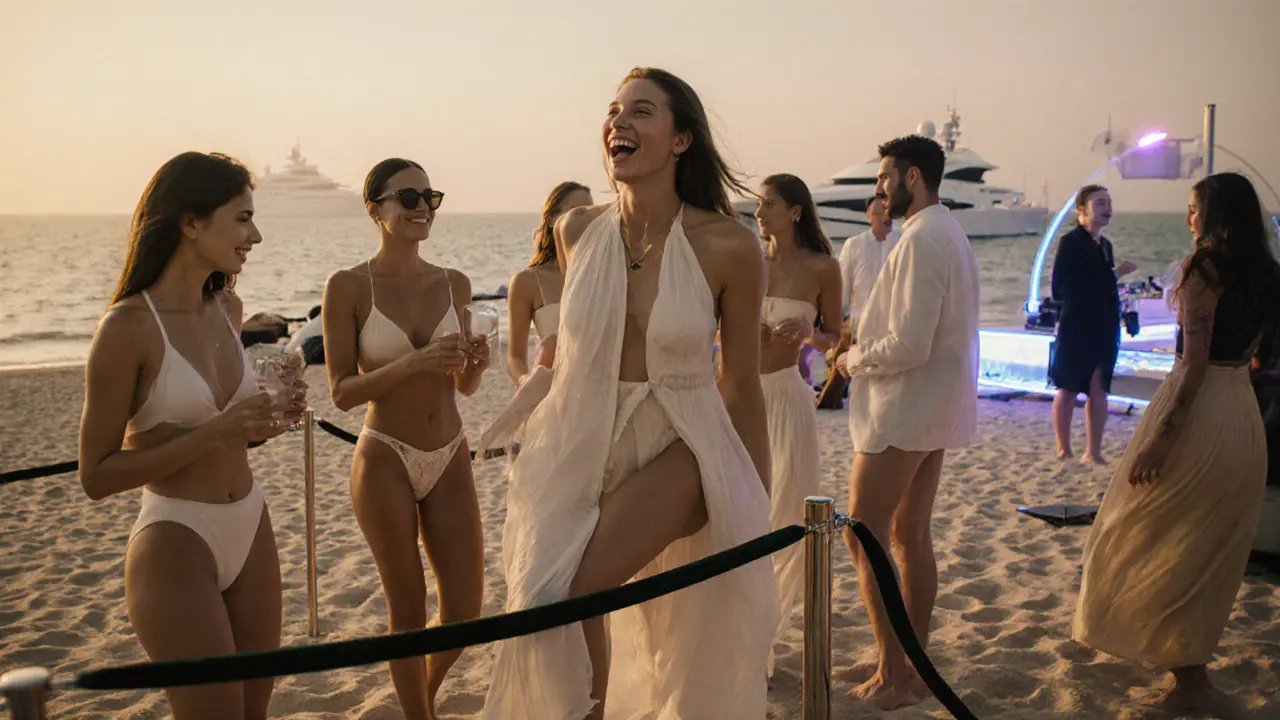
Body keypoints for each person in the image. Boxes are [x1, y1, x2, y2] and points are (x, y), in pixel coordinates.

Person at [484, 67, 777, 720]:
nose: (619, 122)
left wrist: (753, 502)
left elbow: (741, 385)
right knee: (537, 595)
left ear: (680, 140)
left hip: (683, 438)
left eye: (641, 112)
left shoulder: (730, 245)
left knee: (574, 589)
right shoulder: (576, 230)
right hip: (580, 436)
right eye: (614, 111)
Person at [77, 151, 306, 719]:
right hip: (177, 538)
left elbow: (233, 433)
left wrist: (268, 420)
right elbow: (96, 476)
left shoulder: (228, 309)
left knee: (254, 712)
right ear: (191, 222)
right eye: (242, 218)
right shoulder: (128, 327)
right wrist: (219, 430)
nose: (256, 235)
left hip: (251, 525)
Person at [1073, 172, 1280, 713]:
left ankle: (1190, 683)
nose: (1188, 219)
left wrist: (1162, 441)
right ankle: (1192, 674)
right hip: (1243, 414)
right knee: (1209, 549)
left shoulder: (1201, 270)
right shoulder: (1268, 273)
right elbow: (1262, 358)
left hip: (1200, 412)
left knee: (1139, 531)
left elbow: (1191, 368)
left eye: (1193, 209)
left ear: (1214, 214)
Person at [321, 158, 488, 720]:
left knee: (465, 608)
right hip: (385, 455)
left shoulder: (454, 283)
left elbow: (462, 385)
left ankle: (423, 697)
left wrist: (476, 366)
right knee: (409, 611)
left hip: (449, 451)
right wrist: (415, 361)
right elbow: (342, 392)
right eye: (408, 197)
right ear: (375, 209)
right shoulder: (347, 286)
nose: (422, 208)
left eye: (430, 197)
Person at [834, 135, 980, 710]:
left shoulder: (923, 239)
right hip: (934, 406)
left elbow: (910, 343)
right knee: (907, 533)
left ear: (912, 177)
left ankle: (895, 671)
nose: (878, 189)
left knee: (862, 532)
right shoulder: (949, 232)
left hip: (906, 409)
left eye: (884, 178)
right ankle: (912, 659)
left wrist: (851, 359)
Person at [752, 172, 841, 672]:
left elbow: (834, 338)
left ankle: (765, 635)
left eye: (768, 204)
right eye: (758, 204)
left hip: (788, 394)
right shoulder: (748, 261)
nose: (759, 212)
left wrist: (809, 332)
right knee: (741, 511)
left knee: (785, 510)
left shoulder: (823, 267)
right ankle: (738, 633)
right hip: (738, 393)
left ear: (795, 212)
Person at [472, 182, 593, 457]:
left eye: (590, 213)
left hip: (601, 397)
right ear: (552, 219)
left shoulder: (605, 274)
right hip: (553, 402)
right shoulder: (528, 282)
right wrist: (529, 383)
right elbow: (514, 357)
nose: (584, 220)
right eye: (577, 211)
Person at [1048, 184, 1138, 463]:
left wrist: (1124, 310)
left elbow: (1106, 287)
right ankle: (1064, 447)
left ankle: (1093, 451)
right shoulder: (1071, 242)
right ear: (1081, 211)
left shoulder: (1106, 245)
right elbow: (1061, 287)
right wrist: (1113, 274)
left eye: (1108, 203)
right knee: (1068, 386)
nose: (1106, 208)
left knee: (1099, 387)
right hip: (1077, 324)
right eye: (1099, 203)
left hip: (1105, 325)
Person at [822, 192, 901, 408]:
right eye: (877, 213)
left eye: (886, 212)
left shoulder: (903, 241)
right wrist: (837, 317)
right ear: (868, 216)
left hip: (892, 319)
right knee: (855, 367)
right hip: (860, 317)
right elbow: (844, 283)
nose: (883, 217)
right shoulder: (854, 244)